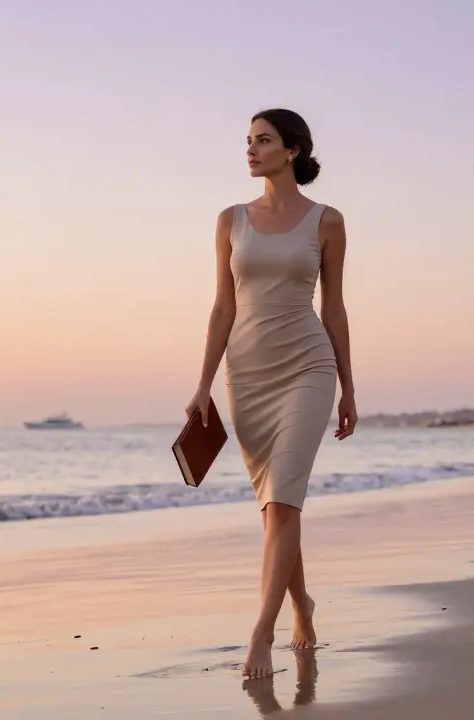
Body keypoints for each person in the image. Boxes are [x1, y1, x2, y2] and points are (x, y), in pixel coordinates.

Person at [185, 107, 357, 679]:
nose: (252, 150)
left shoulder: (327, 221)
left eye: (264, 140)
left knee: (284, 499)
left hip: (309, 364)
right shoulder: (230, 220)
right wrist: (202, 385)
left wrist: (349, 388)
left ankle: (261, 634)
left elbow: (333, 306)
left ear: (293, 151)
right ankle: (302, 603)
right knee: (274, 507)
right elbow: (222, 306)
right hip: (248, 373)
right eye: (249, 141)